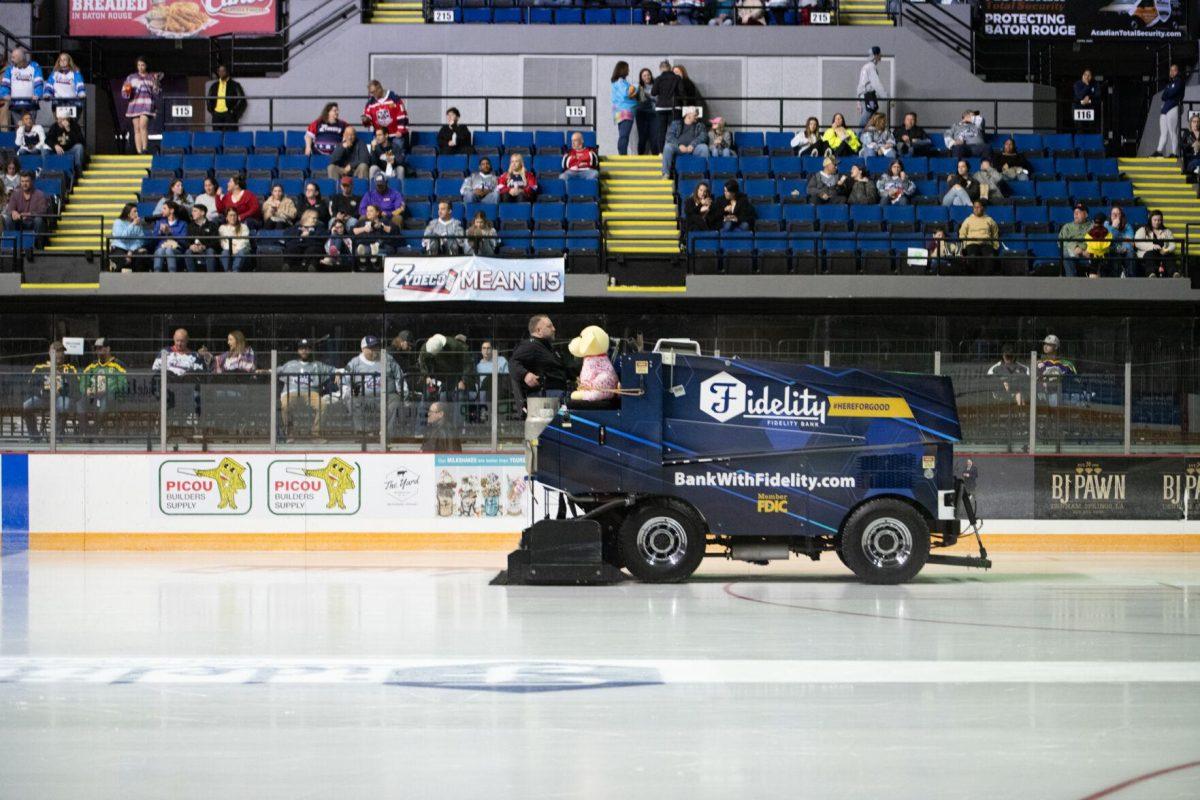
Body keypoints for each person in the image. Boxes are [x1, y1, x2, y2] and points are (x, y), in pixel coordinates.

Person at [339, 335, 404, 432]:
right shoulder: (355, 362)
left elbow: (399, 375)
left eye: (376, 347)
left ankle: (387, 434)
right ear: (363, 349)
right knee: (354, 400)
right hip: (366, 399)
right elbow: (345, 380)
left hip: (386, 397)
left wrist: (402, 391)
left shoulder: (388, 358)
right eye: (371, 348)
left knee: (395, 400)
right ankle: (363, 432)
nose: (375, 350)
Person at [278, 338, 336, 438]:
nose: (304, 351)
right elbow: (273, 370)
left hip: (311, 393)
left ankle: (315, 434)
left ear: (311, 350)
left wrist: (338, 372)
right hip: (291, 392)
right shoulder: (290, 364)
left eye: (307, 348)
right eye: (301, 348)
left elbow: (335, 369)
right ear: (298, 350)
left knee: (322, 405)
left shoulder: (317, 365)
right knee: (285, 405)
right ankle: (290, 433)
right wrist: (261, 371)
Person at [510, 313, 567, 410]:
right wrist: (525, 375)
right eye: (549, 326)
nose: (554, 329)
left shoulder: (549, 348)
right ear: (539, 330)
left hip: (557, 396)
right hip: (546, 399)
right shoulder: (530, 345)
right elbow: (513, 362)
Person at [22, 341, 75, 440]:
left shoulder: (69, 369)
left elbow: (74, 388)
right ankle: (34, 436)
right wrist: (42, 392)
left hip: (60, 398)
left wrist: (61, 391)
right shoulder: (40, 368)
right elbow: (30, 386)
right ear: (50, 352)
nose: (60, 354)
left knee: (65, 404)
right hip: (43, 398)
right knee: (26, 405)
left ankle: (57, 437)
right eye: (58, 351)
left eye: (62, 352)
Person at [78, 338, 129, 431]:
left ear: (108, 349)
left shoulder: (117, 364)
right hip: (93, 397)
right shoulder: (92, 365)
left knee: (104, 402)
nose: (98, 351)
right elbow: (83, 380)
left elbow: (123, 383)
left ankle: (95, 429)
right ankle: (85, 432)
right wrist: (86, 389)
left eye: (100, 348)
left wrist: (106, 389)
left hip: (112, 398)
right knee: (80, 404)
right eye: (96, 348)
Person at [362, 80, 410, 163]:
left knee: (394, 154)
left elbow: (402, 115)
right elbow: (367, 120)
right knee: (374, 152)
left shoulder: (394, 98)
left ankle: (392, 169)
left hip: (395, 135)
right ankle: (380, 168)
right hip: (380, 136)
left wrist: (400, 131)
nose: (373, 95)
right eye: (371, 93)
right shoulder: (370, 103)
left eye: (374, 92)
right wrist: (365, 120)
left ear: (379, 88)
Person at [121, 57, 160, 155]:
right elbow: (124, 92)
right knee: (136, 128)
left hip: (147, 104)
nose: (140, 67)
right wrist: (127, 90)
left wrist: (156, 83)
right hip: (134, 105)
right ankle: (139, 151)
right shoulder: (131, 77)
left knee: (143, 125)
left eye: (142, 65)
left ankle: (145, 148)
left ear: (146, 65)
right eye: (139, 65)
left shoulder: (151, 77)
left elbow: (156, 92)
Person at [4, 170, 49, 253]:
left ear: (32, 181)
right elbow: (9, 209)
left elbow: (43, 211)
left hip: (33, 222)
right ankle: (12, 248)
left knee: (39, 220)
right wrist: (13, 212)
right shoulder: (15, 194)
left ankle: (38, 249)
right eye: (22, 181)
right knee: (8, 219)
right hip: (19, 222)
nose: (24, 184)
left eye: (27, 181)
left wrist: (29, 214)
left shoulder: (40, 195)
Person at [1, 48, 43, 129]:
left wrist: (37, 94)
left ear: (21, 58)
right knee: (19, 129)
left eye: (14, 57)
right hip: (15, 105)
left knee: (31, 128)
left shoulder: (35, 66)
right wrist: (5, 94)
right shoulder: (10, 69)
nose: (11, 60)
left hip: (31, 105)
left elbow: (39, 83)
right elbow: (5, 84)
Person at [661, 108, 709, 177]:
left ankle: (705, 174)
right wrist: (679, 145)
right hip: (679, 149)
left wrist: (693, 145)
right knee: (668, 147)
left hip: (693, 149)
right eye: (695, 115)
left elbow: (703, 136)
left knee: (704, 148)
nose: (697, 117)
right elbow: (669, 136)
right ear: (688, 115)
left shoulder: (700, 125)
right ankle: (665, 174)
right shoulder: (676, 123)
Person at [1152, 64, 1185, 158]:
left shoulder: (1179, 81)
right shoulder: (1171, 83)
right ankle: (1159, 151)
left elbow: (1172, 92)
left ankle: (1174, 153)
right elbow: (1163, 96)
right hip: (1165, 109)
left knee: (1172, 131)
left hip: (1173, 107)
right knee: (1163, 132)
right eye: (1170, 70)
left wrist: (1168, 92)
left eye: (1173, 70)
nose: (1171, 72)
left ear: (1177, 71)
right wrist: (1169, 91)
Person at [957, 199, 999, 273]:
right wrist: (964, 246)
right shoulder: (968, 220)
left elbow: (995, 233)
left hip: (986, 243)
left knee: (990, 258)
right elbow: (962, 234)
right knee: (972, 257)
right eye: (974, 207)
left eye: (978, 207)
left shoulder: (989, 220)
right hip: (972, 243)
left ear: (983, 208)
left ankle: (988, 278)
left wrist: (995, 246)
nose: (976, 209)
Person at [1134, 209, 1178, 278]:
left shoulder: (1167, 231)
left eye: (1159, 220)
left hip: (1163, 254)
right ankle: (1151, 274)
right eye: (1155, 220)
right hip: (1148, 254)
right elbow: (1137, 243)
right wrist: (1152, 246)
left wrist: (1166, 250)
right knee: (1149, 254)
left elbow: (1173, 245)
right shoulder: (1143, 230)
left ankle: (1174, 273)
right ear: (1150, 220)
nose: (1157, 222)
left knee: (1170, 255)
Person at [1037, 334, 1076, 408]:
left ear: (1056, 347)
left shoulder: (1066, 364)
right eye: (1045, 344)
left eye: (1049, 344)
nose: (1045, 346)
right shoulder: (1039, 363)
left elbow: (1072, 380)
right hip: (1040, 395)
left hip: (1056, 395)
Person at [650, 60, 681, 154]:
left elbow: (653, 92)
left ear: (661, 69)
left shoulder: (658, 79)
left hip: (661, 108)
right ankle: (674, 151)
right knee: (674, 131)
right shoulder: (677, 78)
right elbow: (681, 91)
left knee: (661, 131)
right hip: (674, 107)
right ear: (670, 67)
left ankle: (661, 152)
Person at [351, 203, 395, 269]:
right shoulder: (362, 221)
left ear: (377, 213)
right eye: (367, 211)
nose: (368, 213)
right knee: (361, 248)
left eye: (371, 211)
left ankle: (367, 257)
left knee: (378, 246)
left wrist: (382, 226)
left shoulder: (384, 221)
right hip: (365, 243)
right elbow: (352, 231)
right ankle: (368, 257)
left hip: (381, 245)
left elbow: (392, 231)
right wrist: (364, 229)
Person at [45, 52, 85, 119]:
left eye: (65, 59)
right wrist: (47, 94)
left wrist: (81, 93)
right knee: (61, 124)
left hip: (72, 103)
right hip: (58, 103)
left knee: (70, 124)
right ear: (58, 62)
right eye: (61, 60)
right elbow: (49, 85)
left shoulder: (75, 73)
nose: (62, 61)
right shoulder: (54, 73)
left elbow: (80, 84)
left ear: (69, 61)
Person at [205, 64, 246, 131]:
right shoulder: (214, 85)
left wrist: (233, 112)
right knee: (217, 137)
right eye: (219, 71)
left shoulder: (234, 85)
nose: (221, 73)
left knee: (230, 137)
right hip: (217, 115)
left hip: (229, 114)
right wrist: (212, 111)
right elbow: (209, 100)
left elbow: (241, 100)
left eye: (223, 71)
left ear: (227, 72)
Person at [109, 203, 147, 271]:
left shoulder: (138, 224)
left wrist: (131, 250)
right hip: (119, 248)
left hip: (132, 249)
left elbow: (140, 240)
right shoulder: (118, 222)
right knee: (123, 259)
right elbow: (122, 238)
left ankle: (138, 278)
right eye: (135, 211)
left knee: (142, 254)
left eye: (137, 211)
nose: (137, 213)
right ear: (128, 213)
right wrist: (132, 225)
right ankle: (114, 269)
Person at [151, 202, 188, 273]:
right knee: (160, 250)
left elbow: (184, 241)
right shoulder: (159, 222)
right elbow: (153, 241)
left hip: (176, 250)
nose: (162, 211)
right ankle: (156, 275)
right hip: (160, 248)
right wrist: (159, 232)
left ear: (171, 210)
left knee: (169, 250)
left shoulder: (183, 224)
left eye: (164, 208)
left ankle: (172, 275)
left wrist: (170, 231)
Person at [610, 62, 638, 156]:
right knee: (624, 136)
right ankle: (623, 156)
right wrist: (635, 89)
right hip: (626, 111)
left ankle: (622, 154)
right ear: (623, 69)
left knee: (623, 135)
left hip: (619, 111)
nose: (629, 70)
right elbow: (627, 94)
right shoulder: (621, 82)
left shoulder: (616, 82)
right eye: (627, 68)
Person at [1058, 203, 1091, 277]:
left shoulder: (1092, 226)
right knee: (1066, 254)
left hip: (1088, 252)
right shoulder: (1067, 227)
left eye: (1079, 212)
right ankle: (1071, 281)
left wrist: (1087, 250)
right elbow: (1060, 242)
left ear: (1086, 215)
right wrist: (1075, 247)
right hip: (1073, 252)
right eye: (1075, 212)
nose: (1076, 214)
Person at [856, 46, 886, 130]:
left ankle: (864, 136)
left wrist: (858, 99)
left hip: (867, 96)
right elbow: (876, 83)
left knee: (871, 114)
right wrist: (886, 97)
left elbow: (861, 84)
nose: (881, 56)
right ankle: (858, 136)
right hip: (868, 96)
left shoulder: (866, 67)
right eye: (879, 54)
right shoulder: (871, 67)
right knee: (868, 114)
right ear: (875, 56)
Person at [183, 203, 218, 273]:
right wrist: (191, 246)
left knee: (210, 251)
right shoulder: (190, 226)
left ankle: (211, 277)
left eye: (195, 211)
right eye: (192, 211)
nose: (192, 213)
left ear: (202, 213)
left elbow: (216, 242)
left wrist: (204, 247)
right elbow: (186, 241)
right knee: (188, 252)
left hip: (207, 250)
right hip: (194, 250)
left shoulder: (212, 225)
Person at [1105, 206, 1136, 278]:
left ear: (1121, 216)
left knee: (1131, 253)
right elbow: (1107, 242)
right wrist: (1113, 228)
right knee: (1113, 254)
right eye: (1113, 214)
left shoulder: (1127, 226)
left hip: (1125, 250)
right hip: (1111, 250)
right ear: (1110, 215)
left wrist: (1124, 248)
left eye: (1118, 214)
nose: (1115, 215)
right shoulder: (1106, 225)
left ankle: (1131, 278)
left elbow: (1130, 242)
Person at [218, 207, 251, 272]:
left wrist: (236, 248)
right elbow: (223, 242)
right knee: (224, 252)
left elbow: (244, 241)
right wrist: (231, 248)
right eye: (230, 215)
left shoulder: (243, 227)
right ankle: (228, 272)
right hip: (228, 250)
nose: (232, 218)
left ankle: (235, 272)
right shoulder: (222, 228)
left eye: (234, 215)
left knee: (241, 252)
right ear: (226, 217)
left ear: (237, 216)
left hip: (242, 250)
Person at [634, 67, 657, 156]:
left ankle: (656, 158)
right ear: (641, 77)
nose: (647, 77)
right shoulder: (638, 87)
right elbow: (635, 100)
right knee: (642, 137)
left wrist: (648, 95)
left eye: (648, 75)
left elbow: (658, 99)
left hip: (654, 114)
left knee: (654, 137)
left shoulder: (656, 86)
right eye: (644, 75)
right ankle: (640, 158)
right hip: (641, 114)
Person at [1081, 212, 1111, 277]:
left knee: (1093, 274)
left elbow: (1087, 243)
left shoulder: (1088, 234)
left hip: (1092, 257)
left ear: (1094, 223)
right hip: (1104, 257)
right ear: (1104, 223)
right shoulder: (1109, 234)